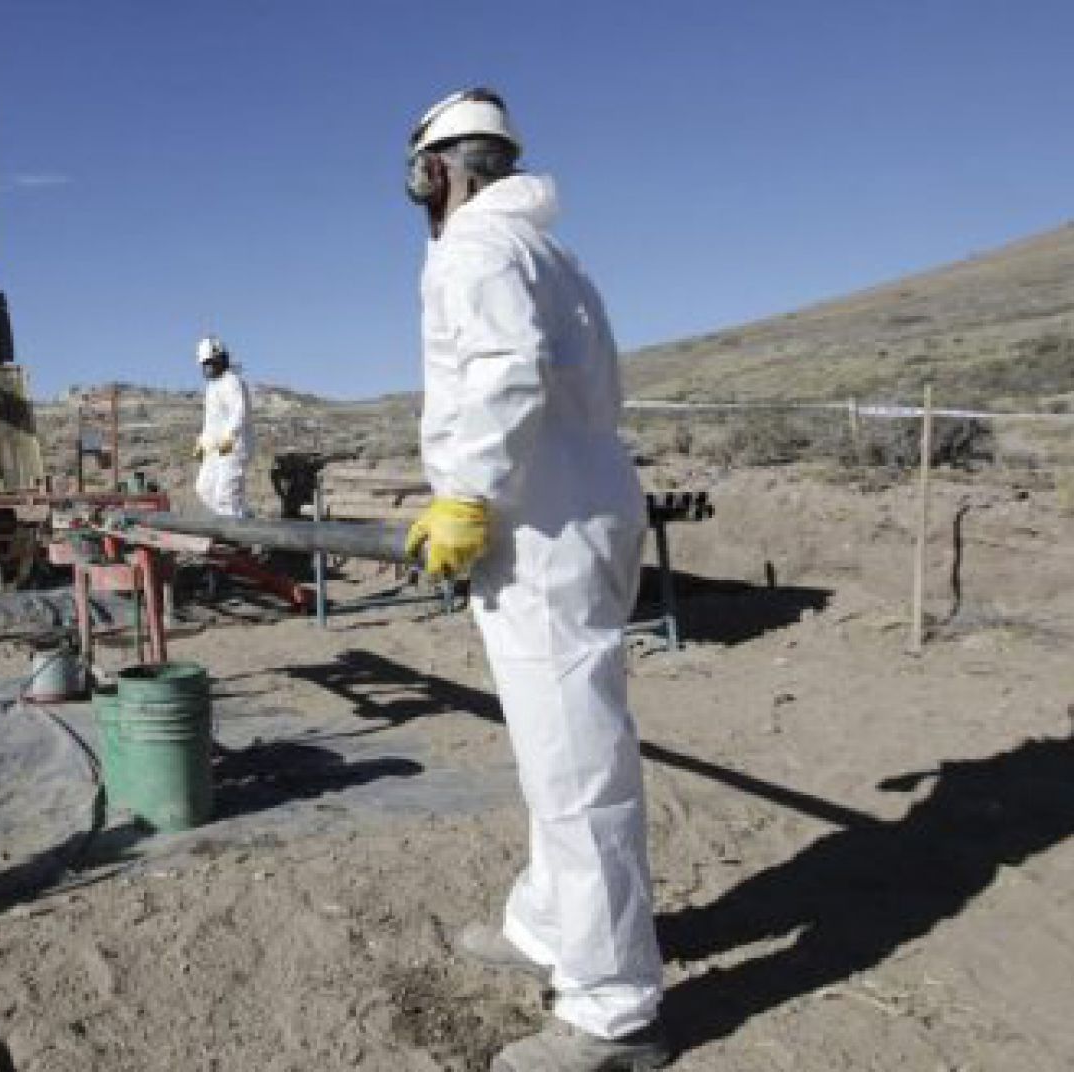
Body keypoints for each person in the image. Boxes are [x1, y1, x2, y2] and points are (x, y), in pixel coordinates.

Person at [400, 88, 670, 1071]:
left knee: (577, 766)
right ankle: (550, 925)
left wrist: (465, 494)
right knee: (557, 752)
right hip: (577, 501)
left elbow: (503, 372)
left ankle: (612, 1010)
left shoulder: (475, 248)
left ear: (437, 170)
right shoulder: (552, 252)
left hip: (541, 523)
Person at [191, 334, 252, 517]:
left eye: (209, 363)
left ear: (220, 360)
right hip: (215, 448)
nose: (206, 368)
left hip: (233, 447)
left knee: (225, 495)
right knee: (203, 488)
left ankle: (237, 533)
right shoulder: (212, 387)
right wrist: (201, 443)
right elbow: (211, 421)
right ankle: (241, 519)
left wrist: (229, 437)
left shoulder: (231, 381)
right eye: (204, 365)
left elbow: (238, 412)